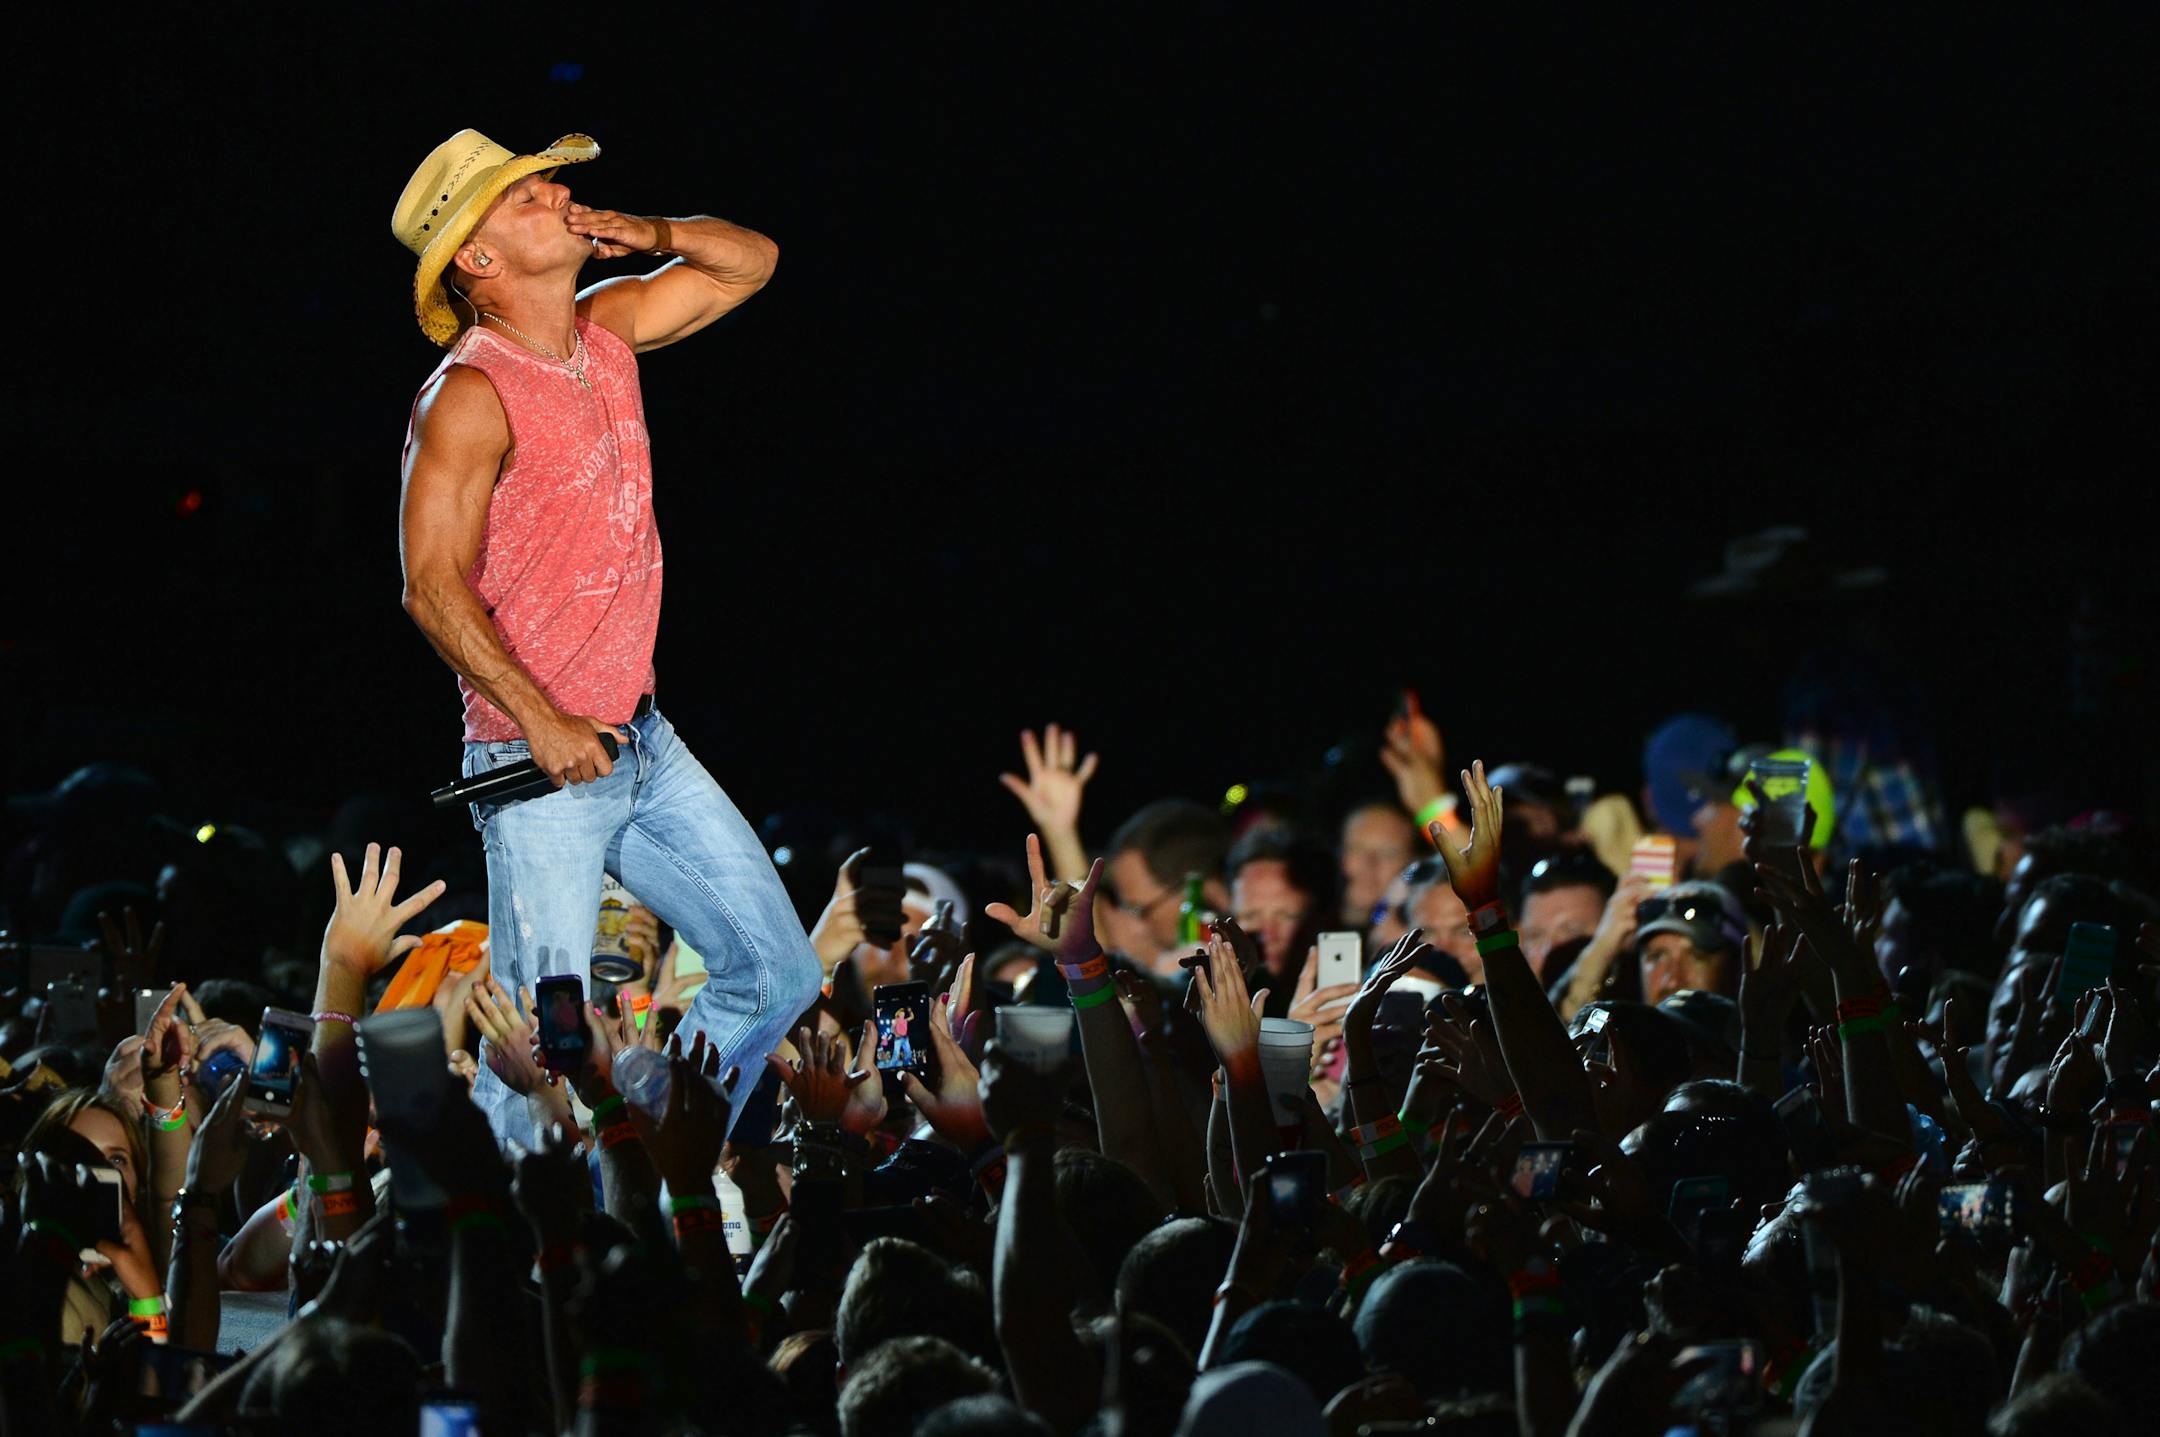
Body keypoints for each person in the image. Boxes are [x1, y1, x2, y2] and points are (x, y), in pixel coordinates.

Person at [390, 129, 817, 1139]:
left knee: (778, 975)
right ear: (478, 261)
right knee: (539, 1055)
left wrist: (656, 231)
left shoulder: (608, 329)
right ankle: (508, 1275)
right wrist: (539, 720)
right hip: (537, 769)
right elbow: (427, 586)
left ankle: (639, 1175)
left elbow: (752, 263)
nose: (557, 190)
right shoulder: (467, 394)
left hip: (642, 742)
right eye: (524, 194)